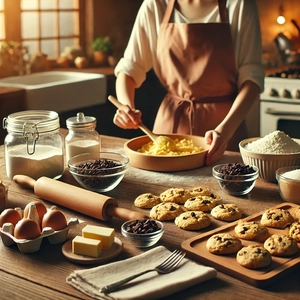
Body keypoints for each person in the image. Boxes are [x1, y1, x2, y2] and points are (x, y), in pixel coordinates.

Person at [113, 0, 264, 165]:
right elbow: (129, 69)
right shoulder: (156, 5)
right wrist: (126, 107)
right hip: (169, 126)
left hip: (226, 128)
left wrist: (225, 131)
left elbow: (251, 78)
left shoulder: (240, 5)